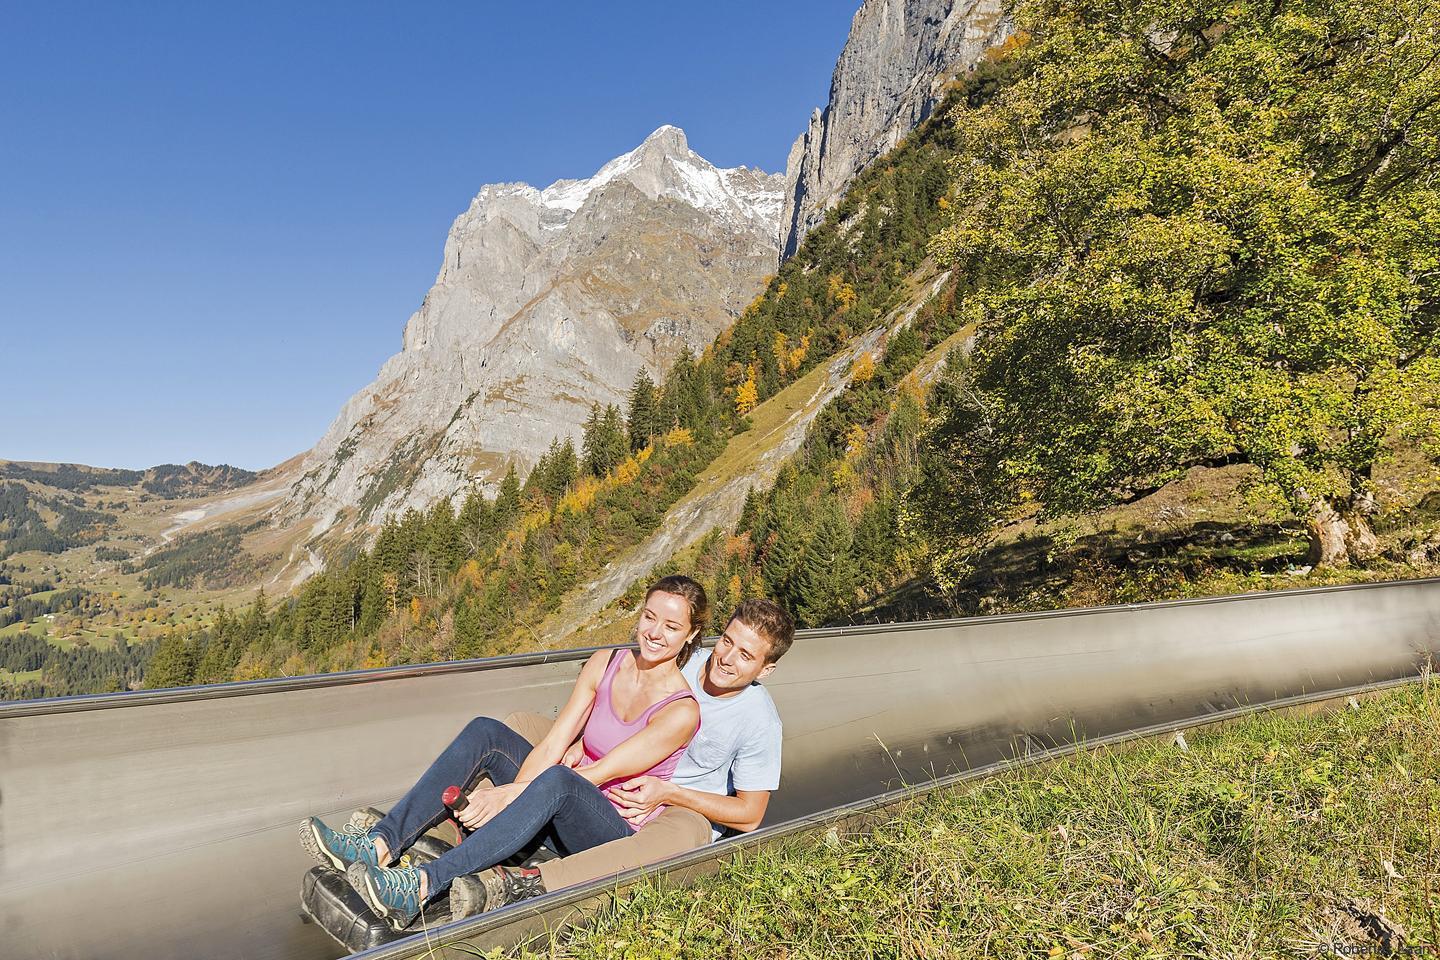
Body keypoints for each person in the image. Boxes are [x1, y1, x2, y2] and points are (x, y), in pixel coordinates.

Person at [299, 575, 706, 930]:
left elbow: (595, 775)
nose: (655, 631)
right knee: (487, 732)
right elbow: (553, 743)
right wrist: (518, 791)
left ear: (690, 635)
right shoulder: (607, 662)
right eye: (650, 617)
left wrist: (507, 795)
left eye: (671, 626)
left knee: (561, 779)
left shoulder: (680, 711)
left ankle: (422, 885)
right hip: (559, 794)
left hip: (606, 826)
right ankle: (380, 844)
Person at [448, 597, 795, 916]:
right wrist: (582, 742)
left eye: (746, 655)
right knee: (519, 726)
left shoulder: (759, 722)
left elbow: (750, 815)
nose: (727, 658)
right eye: (727, 641)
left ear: (765, 670)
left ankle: (530, 885)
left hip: (672, 802)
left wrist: (670, 793)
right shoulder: (682, 658)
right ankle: (453, 829)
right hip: (613, 763)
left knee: (685, 833)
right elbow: (615, 700)